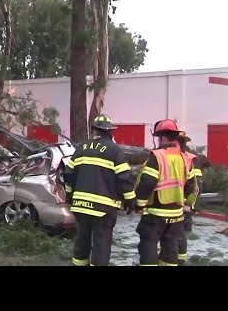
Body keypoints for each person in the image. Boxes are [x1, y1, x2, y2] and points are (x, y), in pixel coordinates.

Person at [62, 114, 135, 266]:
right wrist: (130, 200)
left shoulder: (81, 147)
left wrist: (69, 194)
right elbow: (124, 178)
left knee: (82, 243)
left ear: (94, 129)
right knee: (101, 246)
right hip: (103, 209)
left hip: (81, 206)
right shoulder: (115, 150)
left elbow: (68, 173)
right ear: (110, 132)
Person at [134, 119, 196, 266]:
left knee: (148, 244)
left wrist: (139, 204)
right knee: (170, 248)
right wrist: (186, 204)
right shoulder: (185, 157)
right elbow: (191, 185)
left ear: (162, 137)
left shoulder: (157, 156)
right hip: (176, 214)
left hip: (156, 211)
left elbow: (147, 182)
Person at [177, 131, 203, 266]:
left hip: (177, 205)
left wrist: (188, 203)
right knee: (179, 237)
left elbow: (197, 184)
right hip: (179, 205)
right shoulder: (191, 158)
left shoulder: (191, 158)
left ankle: (179, 262)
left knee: (178, 237)